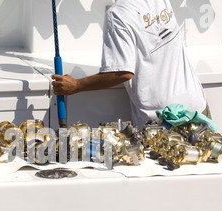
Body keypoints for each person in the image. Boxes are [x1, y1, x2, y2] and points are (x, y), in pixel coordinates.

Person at [51, 0, 208, 129]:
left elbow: (121, 73)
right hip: (197, 108)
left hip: (163, 122)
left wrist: (77, 85)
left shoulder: (118, 14)